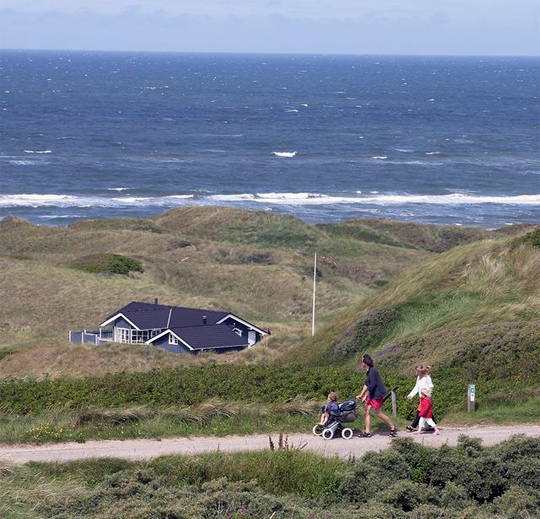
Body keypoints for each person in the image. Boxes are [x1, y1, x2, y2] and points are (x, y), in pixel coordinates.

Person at [355, 354, 397, 438]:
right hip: (372, 394)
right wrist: (361, 394)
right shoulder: (369, 371)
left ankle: (393, 428)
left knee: (378, 413)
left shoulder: (373, 371)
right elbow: (367, 384)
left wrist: (365, 396)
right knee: (367, 411)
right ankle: (367, 432)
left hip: (377, 395)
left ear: (365, 362)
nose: (361, 363)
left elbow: (372, 386)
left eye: (362, 361)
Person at [406, 365, 437, 432]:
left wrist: (427, 393)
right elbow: (416, 387)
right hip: (421, 398)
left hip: (426, 398)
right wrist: (411, 395)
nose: (415, 372)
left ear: (420, 371)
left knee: (420, 411)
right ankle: (433, 425)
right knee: (427, 411)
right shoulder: (418, 378)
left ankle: (413, 426)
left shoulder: (427, 378)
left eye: (416, 370)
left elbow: (431, 386)